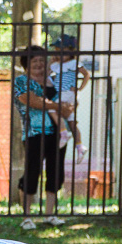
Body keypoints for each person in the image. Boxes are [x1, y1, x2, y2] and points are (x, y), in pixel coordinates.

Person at [14, 45, 70, 230]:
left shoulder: (54, 81)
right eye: (34, 61)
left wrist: (65, 107)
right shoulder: (21, 81)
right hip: (34, 133)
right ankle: (27, 217)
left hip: (58, 133)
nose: (39, 64)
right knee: (32, 172)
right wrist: (58, 106)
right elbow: (33, 101)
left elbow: (68, 101)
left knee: (56, 172)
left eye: (41, 60)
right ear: (26, 64)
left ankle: (50, 214)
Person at [49, 34, 89, 162]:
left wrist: (79, 88)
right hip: (64, 93)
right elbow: (47, 73)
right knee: (71, 121)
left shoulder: (73, 63)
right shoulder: (57, 65)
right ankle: (80, 146)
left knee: (52, 108)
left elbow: (86, 74)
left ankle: (63, 133)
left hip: (66, 93)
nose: (58, 54)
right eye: (56, 51)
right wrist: (51, 61)